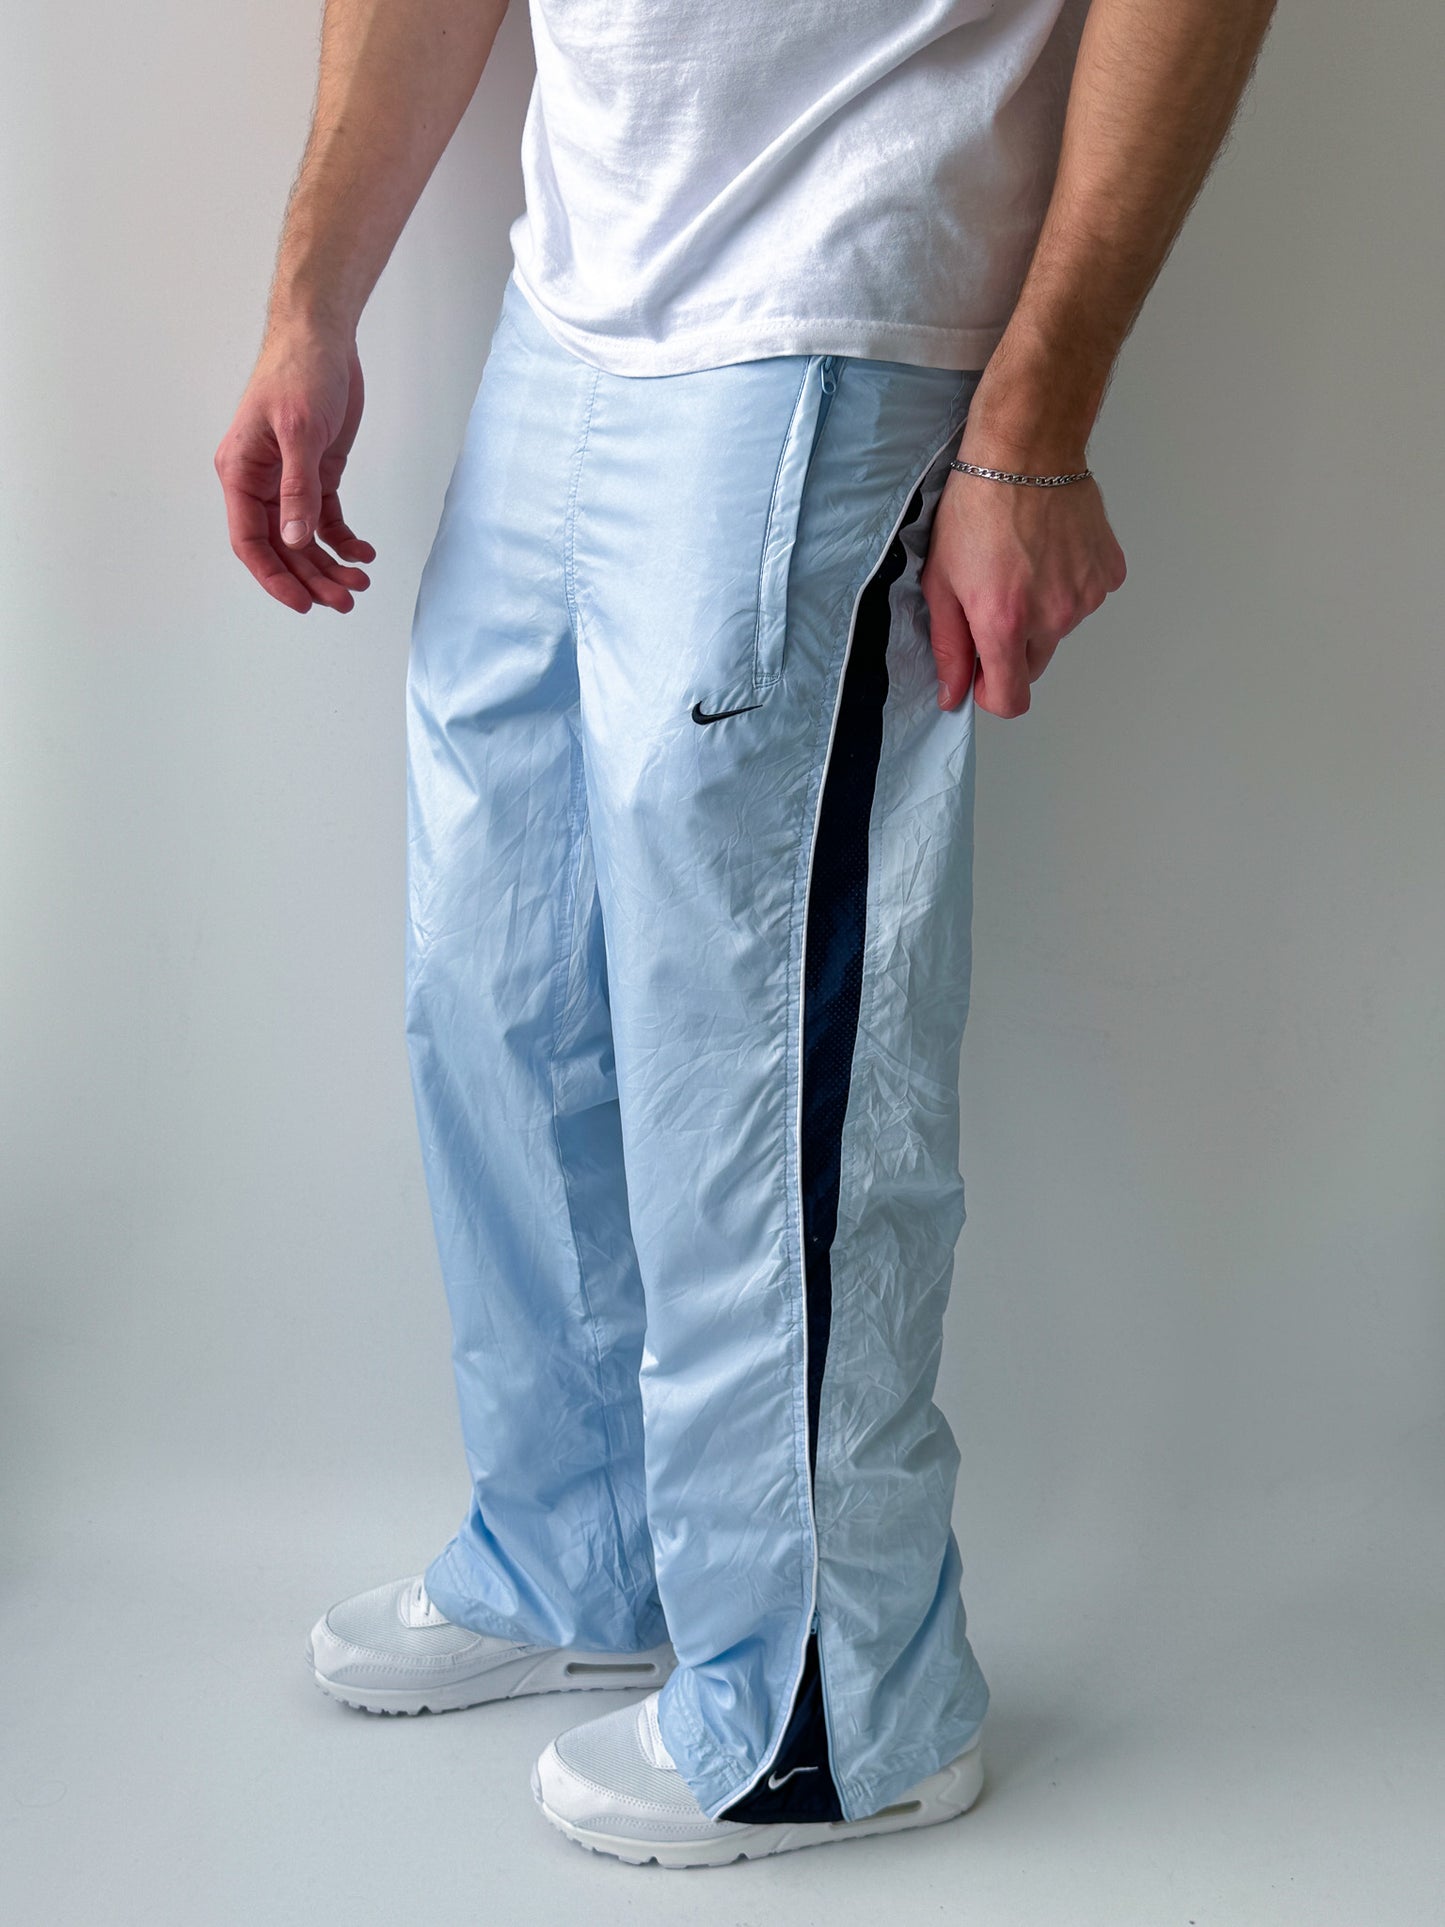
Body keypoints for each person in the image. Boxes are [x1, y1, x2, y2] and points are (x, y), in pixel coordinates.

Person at [215, 0, 1277, 1870]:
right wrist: (313, 300)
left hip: (835, 315)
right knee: (499, 989)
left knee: (758, 1055)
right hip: (573, 304)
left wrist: (1032, 425)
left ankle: (834, 1705)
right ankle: (582, 1553)